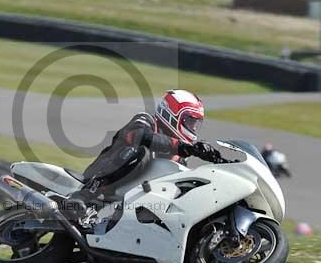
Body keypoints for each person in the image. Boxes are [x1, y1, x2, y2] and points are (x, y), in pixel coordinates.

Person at [67, 90, 221, 215]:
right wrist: (183, 147)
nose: (193, 128)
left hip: (127, 203)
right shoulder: (146, 120)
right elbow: (140, 137)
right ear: (170, 113)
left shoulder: (179, 158)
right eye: (189, 121)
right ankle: (85, 194)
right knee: (141, 153)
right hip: (97, 176)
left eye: (195, 124)